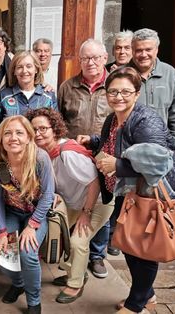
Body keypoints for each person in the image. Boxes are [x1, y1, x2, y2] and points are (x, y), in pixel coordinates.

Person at [78, 67, 175, 314]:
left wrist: (116, 165)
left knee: (145, 249)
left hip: (158, 192)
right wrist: (94, 141)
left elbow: (158, 162)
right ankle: (146, 295)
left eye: (125, 92)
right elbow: (115, 143)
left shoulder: (145, 120)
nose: (118, 96)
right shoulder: (113, 118)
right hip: (129, 193)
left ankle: (136, 304)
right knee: (129, 245)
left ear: (137, 94)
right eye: (113, 91)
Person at [28, 108, 113, 304]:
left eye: (43, 128)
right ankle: (74, 272)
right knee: (62, 236)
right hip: (74, 201)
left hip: (97, 202)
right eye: (34, 129)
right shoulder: (42, 153)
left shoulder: (66, 153)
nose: (38, 133)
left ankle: (76, 284)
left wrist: (86, 213)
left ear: (54, 129)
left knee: (77, 242)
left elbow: (94, 182)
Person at [58, 39, 114, 274]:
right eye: (85, 58)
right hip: (74, 155)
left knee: (102, 200)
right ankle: (72, 251)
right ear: (79, 60)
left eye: (95, 57)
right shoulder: (67, 87)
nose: (90, 62)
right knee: (77, 201)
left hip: (104, 155)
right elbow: (59, 121)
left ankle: (97, 255)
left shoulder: (113, 87)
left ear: (104, 58)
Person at [0, 115, 54, 314]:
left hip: (36, 214)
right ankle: (18, 283)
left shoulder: (40, 158)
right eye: (7, 133)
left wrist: (32, 226)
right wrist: (1, 231)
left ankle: (34, 300)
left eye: (19, 132)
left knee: (28, 254)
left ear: (28, 137)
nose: (13, 138)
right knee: (5, 254)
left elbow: (48, 195)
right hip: (12, 213)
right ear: (1, 138)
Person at [127, 28, 175, 150]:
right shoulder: (122, 74)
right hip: (128, 145)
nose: (144, 55)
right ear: (132, 51)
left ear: (157, 50)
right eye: (139, 50)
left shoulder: (170, 73)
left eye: (148, 49)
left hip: (161, 147)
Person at [0, 50, 57, 120]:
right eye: (19, 67)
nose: (24, 71)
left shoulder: (48, 96)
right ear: (14, 71)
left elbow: (56, 126)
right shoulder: (4, 96)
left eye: (29, 66)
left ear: (36, 69)